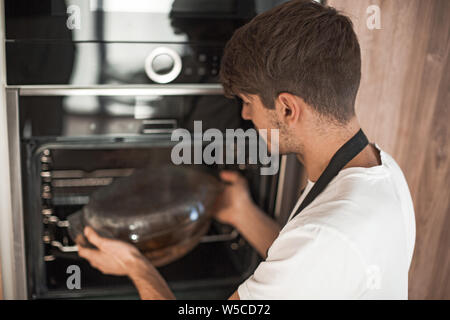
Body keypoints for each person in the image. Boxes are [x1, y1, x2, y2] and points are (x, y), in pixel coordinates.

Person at [77, 0, 416, 299]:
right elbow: (306, 268)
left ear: (287, 109)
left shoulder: (326, 234)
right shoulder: (381, 171)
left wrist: (135, 265)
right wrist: (243, 213)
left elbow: (314, 252)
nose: (244, 114)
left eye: (248, 102)